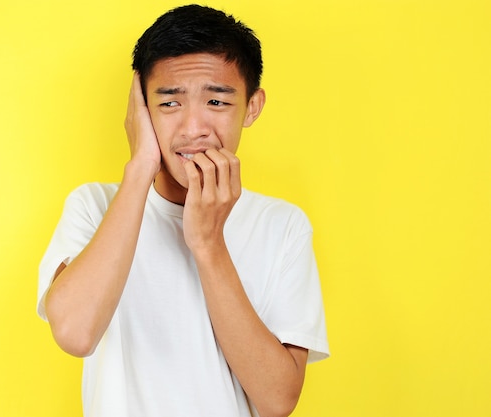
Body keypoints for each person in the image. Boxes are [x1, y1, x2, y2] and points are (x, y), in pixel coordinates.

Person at [37, 4, 329, 417]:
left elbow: (278, 400)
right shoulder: (95, 206)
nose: (194, 128)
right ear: (140, 110)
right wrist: (140, 168)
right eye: (170, 104)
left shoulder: (282, 225)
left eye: (216, 101)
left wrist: (208, 245)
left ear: (252, 107)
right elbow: (74, 333)